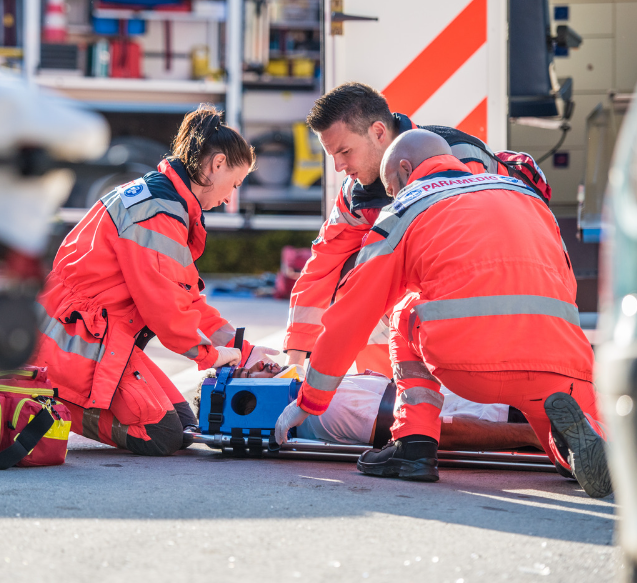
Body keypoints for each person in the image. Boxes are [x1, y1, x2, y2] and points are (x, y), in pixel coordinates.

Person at [275, 130, 611, 498]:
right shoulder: (523, 194)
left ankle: (414, 446)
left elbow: (352, 312)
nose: (393, 195)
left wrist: (311, 400)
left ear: (405, 170)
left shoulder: (407, 207)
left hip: (469, 365)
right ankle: (574, 453)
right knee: (562, 441)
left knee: (404, 310)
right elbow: (564, 284)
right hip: (561, 362)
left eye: (392, 187)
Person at [31, 104, 276, 456]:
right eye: (234, 184)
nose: (228, 198)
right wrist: (213, 356)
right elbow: (168, 311)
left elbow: (186, 300)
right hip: (74, 342)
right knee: (161, 435)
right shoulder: (158, 212)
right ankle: (50, 396)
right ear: (217, 164)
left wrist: (245, 351)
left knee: (185, 428)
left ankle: (56, 387)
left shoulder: (166, 203)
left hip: (95, 336)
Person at [284, 82, 550, 378]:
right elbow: (323, 266)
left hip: (499, 294)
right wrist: (294, 361)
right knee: (353, 285)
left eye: (345, 151)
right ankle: (384, 393)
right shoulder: (355, 193)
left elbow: (476, 258)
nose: (338, 166)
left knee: (379, 292)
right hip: (451, 294)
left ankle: (471, 393)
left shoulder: (459, 159)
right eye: (332, 154)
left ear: (379, 132)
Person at [228, 361, 541, 451]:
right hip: (502, 414)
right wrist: (531, 435)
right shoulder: (322, 414)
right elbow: (433, 432)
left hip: (498, 396)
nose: (260, 364)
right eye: (248, 374)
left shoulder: (314, 393)